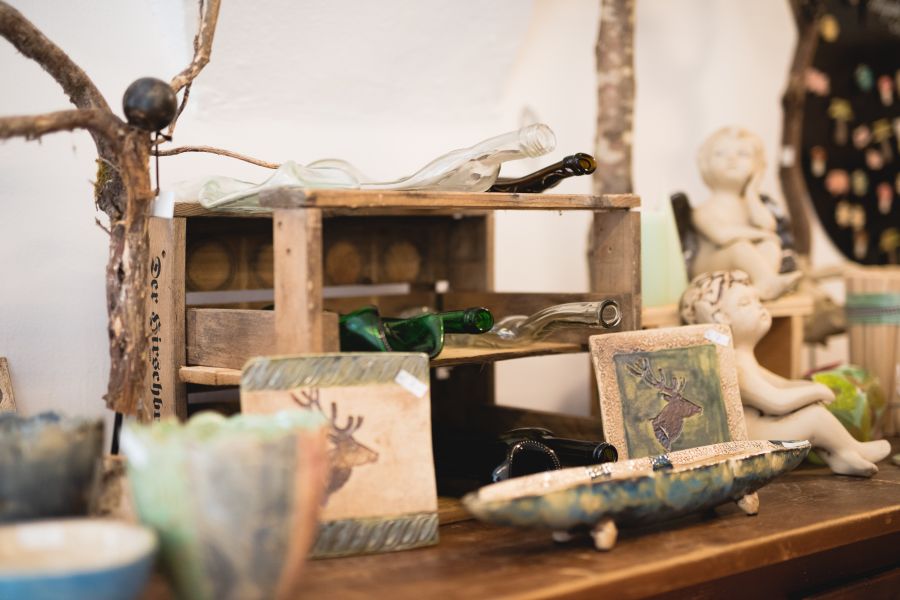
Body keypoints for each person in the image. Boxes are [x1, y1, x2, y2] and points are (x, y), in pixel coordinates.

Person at [680, 270, 890, 476]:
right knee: (815, 418)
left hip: (762, 428)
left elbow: (779, 384)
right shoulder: (731, 364)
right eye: (745, 303)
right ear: (717, 318)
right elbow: (776, 401)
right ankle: (853, 449)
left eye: (757, 300)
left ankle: (843, 456)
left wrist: (806, 388)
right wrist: (815, 391)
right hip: (750, 441)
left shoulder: (743, 359)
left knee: (811, 409)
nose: (758, 306)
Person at [691, 127, 801, 300]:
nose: (731, 159)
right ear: (706, 163)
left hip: (740, 269)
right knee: (739, 247)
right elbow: (722, 235)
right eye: (720, 153)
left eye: (743, 154)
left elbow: (768, 226)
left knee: (769, 245)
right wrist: (760, 234)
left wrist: (752, 192)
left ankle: (760, 287)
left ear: (757, 165)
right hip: (709, 267)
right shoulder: (704, 209)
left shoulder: (752, 204)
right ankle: (768, 283)